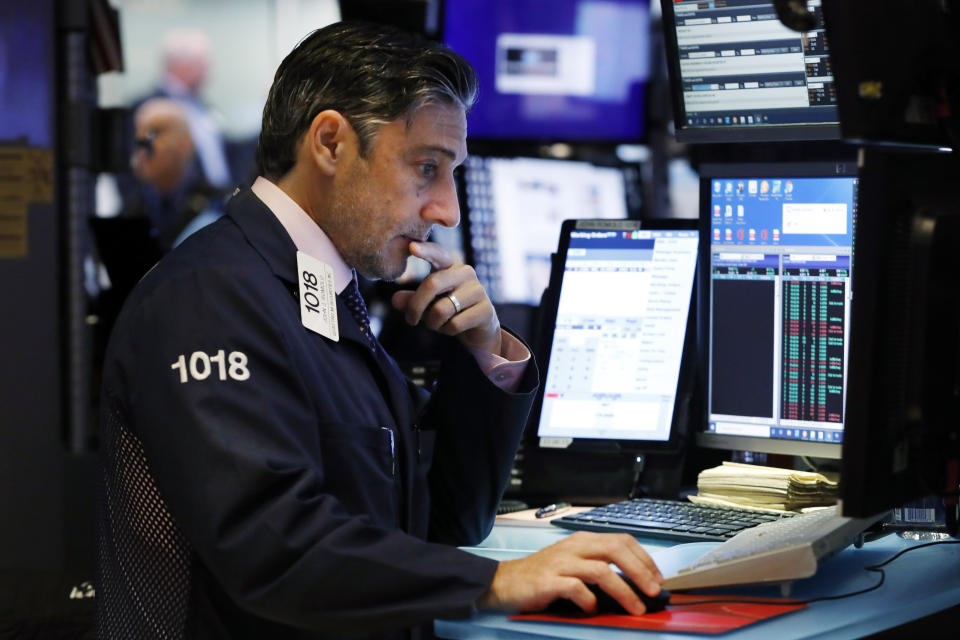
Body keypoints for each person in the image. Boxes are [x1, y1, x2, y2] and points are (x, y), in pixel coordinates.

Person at [96, 21, 663, 639]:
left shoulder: (324, 293)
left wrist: (483, 354)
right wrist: (496, 583)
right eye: (425, 168)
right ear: (332, 143)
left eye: (452, 174)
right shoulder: (207, 296)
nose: (446, 208)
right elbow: (274, 548)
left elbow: (444, 519)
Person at [127, 97, 224, 249]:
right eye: (137, 133)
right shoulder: (132, 210)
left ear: (187, 143)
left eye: (154, 132)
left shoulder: (219, 209)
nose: (143, 142)